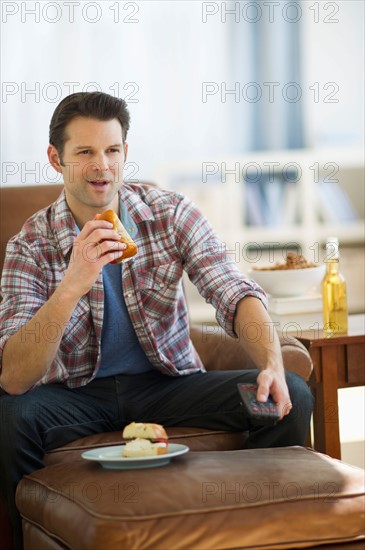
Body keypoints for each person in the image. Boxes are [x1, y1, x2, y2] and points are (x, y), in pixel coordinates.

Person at [0, 92, 313, 549]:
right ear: (55, 159)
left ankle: (241, 527)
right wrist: (72, 285)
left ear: (125, 153)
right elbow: (13, 375)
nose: (101, 166)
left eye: (111, 150)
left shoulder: (169, 214)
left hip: (167, 386)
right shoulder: (29, 244)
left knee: (292, 395)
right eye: (84, 152)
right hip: (73, 397)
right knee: (9, 417)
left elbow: (233, 290)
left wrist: (269, 362)